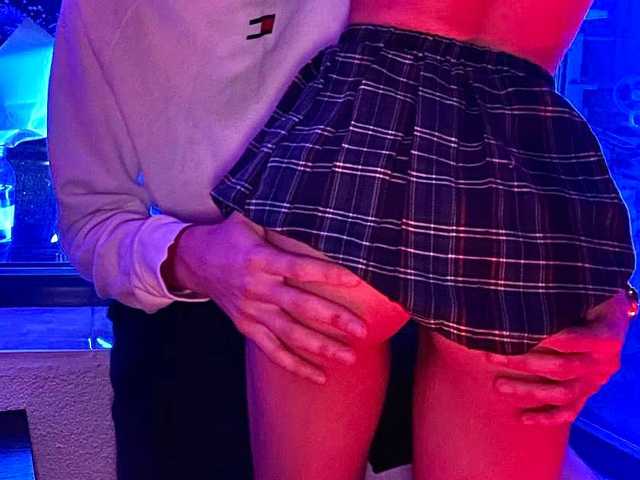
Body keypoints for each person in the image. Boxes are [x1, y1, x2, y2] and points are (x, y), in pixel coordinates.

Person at [46, 0, 637, 479]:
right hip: (200, 326)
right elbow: (90, 220)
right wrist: (201, 260)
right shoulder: (106, 12)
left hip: (370, 285)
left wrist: (606, 298)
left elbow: (474, 86)